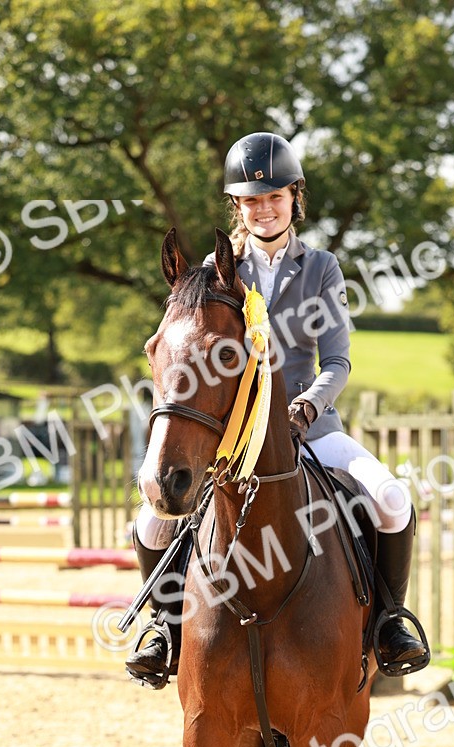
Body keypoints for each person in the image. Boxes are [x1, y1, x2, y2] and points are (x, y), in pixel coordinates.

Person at [127, 130, 428, 684]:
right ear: (237, 206)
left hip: (310, 428)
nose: (264, 209)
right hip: (235, 437)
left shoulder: (322, 269)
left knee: (391, 498)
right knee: (150, 522)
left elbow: (336, 363)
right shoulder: (220, 273)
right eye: (251, 200)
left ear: (295, 198)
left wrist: (306, 409)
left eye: (275, 198)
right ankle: (166, 629)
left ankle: (390, 623)